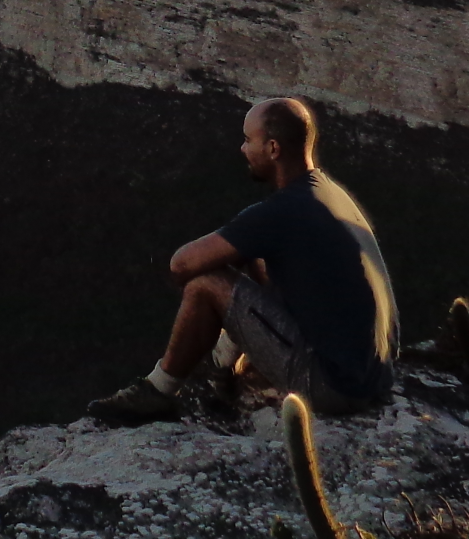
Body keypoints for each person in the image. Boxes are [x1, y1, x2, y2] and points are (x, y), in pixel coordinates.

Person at [87, 96, 399, 421]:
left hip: (333, 388)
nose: (242, 149)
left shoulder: (280, 212)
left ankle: (158, 391)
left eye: (249, 140)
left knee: (207, 283)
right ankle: (224, 370)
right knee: (253, 256)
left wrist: (219, 292)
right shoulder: (330, 194)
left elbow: (182, 265)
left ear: (273, 149)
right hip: (373, 378)